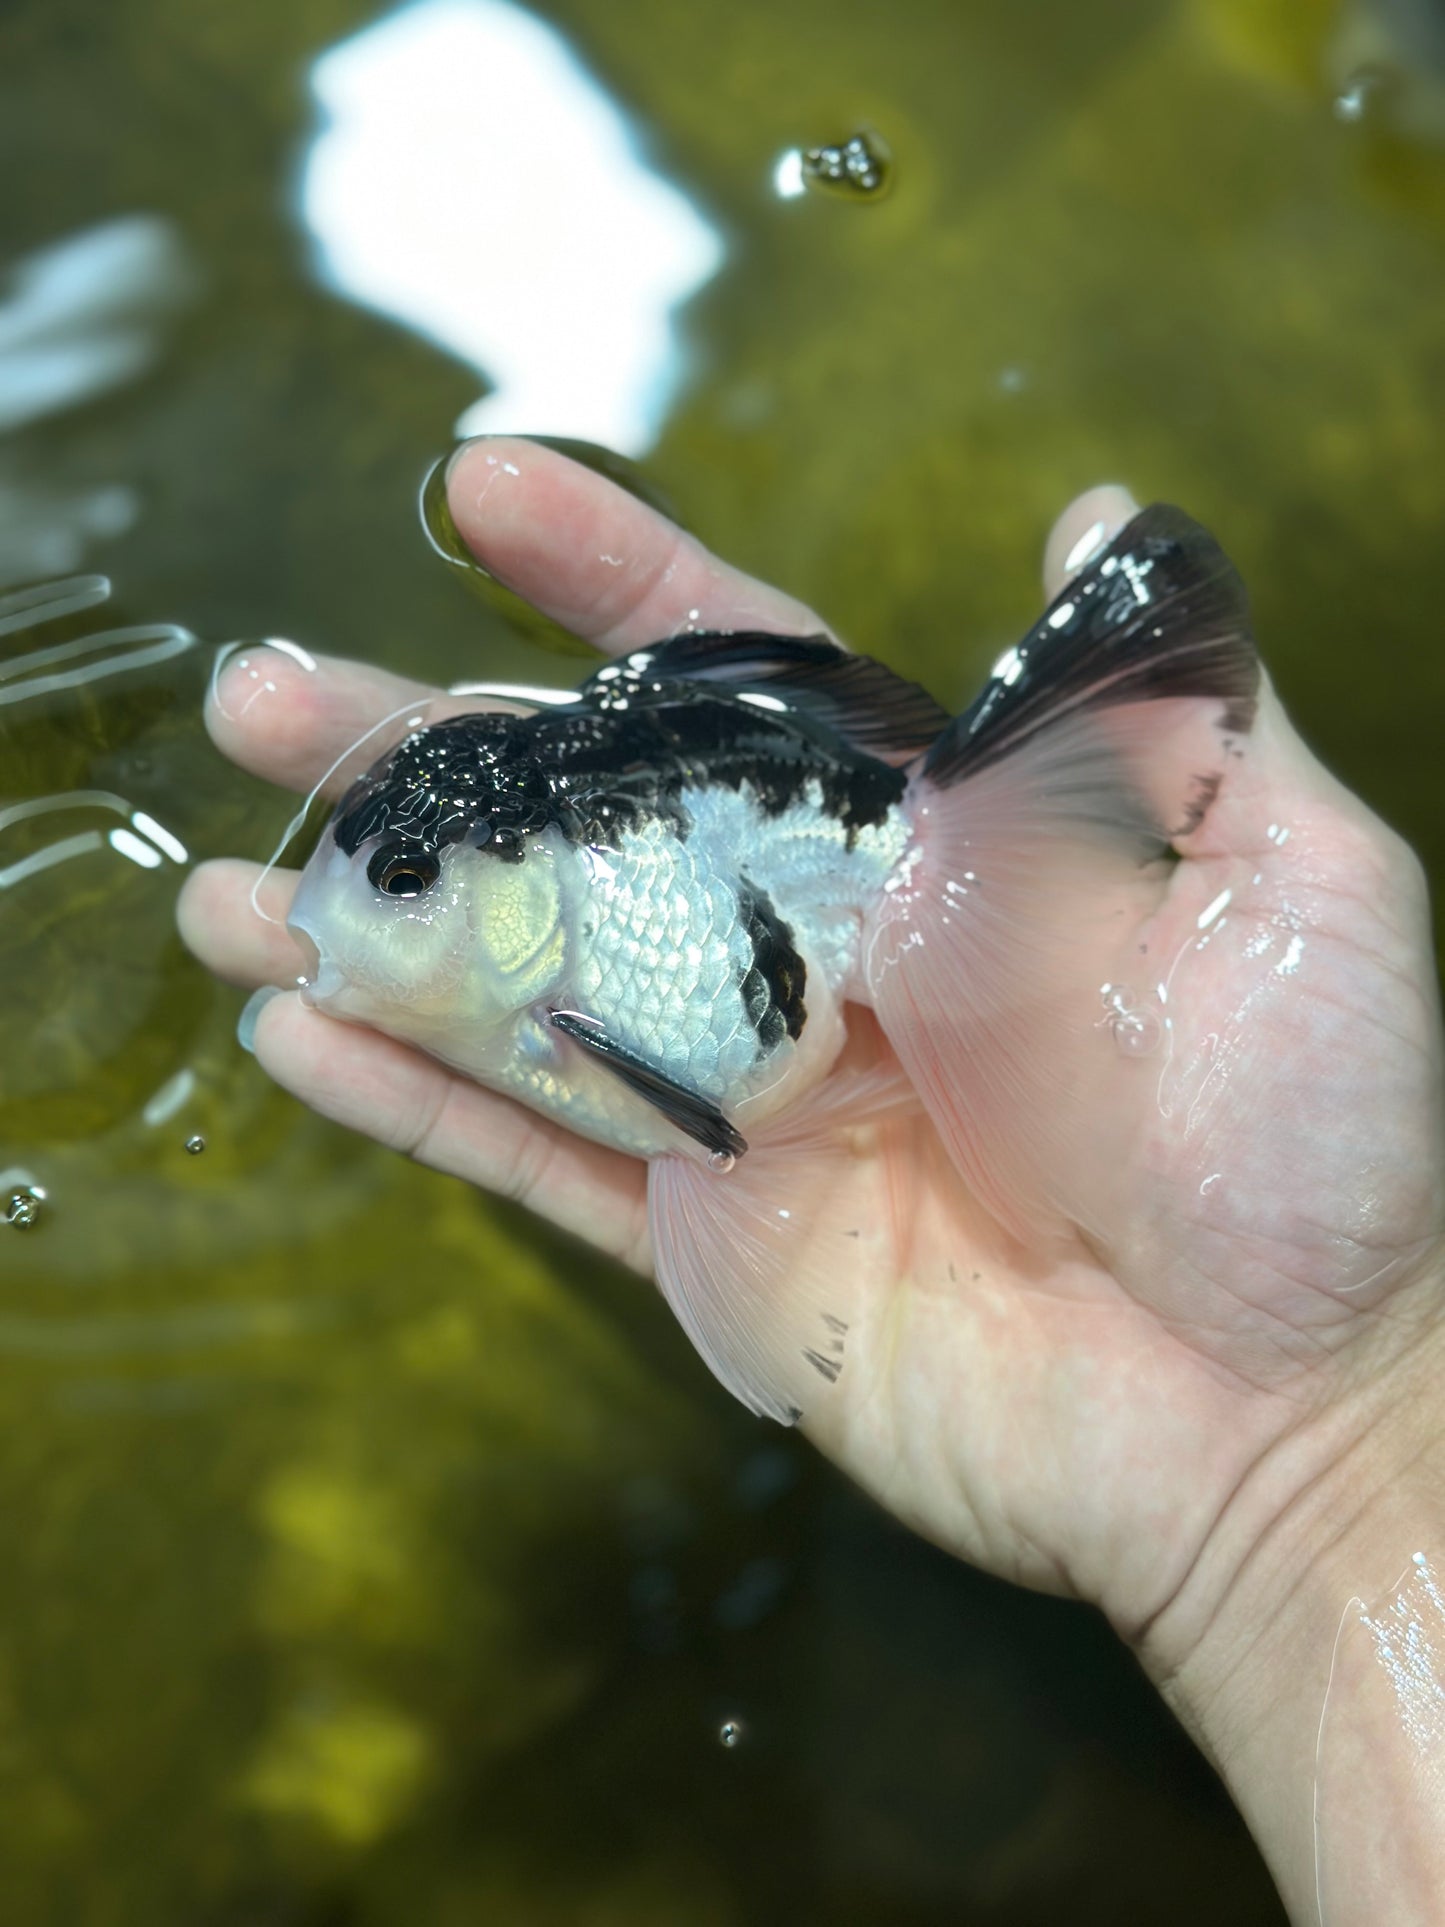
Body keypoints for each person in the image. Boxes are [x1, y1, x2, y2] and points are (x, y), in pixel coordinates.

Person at [179, 438, 1445, 1923]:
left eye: (403, 886)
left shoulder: (595, 968)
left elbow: (704, 1139)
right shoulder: (528, 954)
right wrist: (1333, 1480)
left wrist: (1343, 1430)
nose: (354, 920)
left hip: (824, 837)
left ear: (511, 874)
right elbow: (707, 1142)